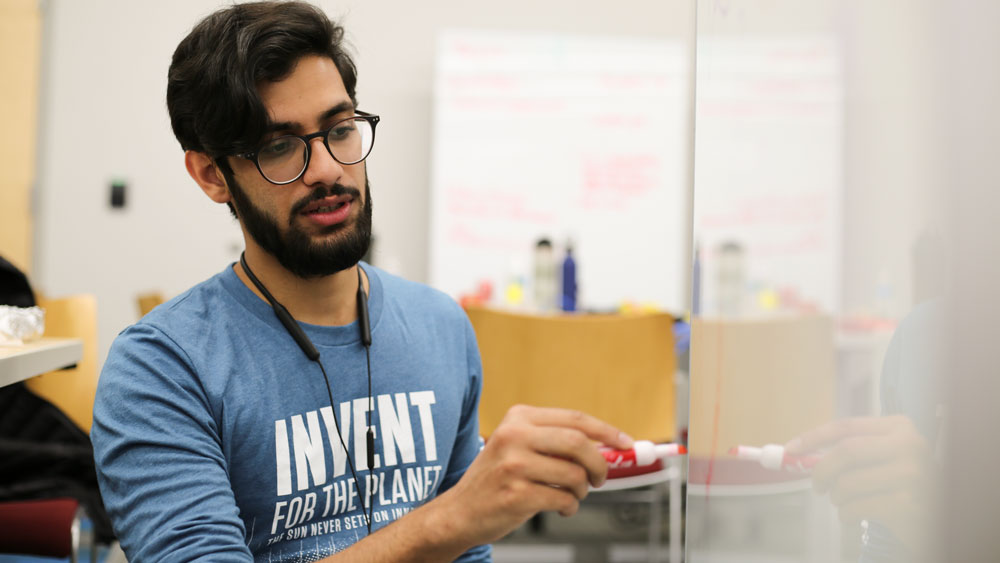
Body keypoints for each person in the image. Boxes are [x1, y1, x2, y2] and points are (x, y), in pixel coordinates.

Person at [89, 2, 633, 561]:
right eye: (280, 146)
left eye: (340, 129)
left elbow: (465, 552)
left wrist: (461, 524)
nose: (327, 169)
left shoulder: (440, 326)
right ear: (212, 175)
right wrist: (446, 521)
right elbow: (450, 530)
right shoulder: (161, 369)